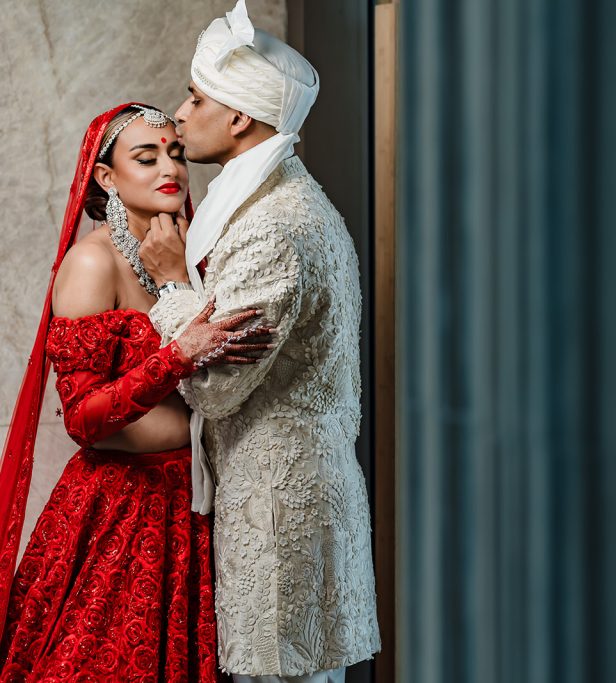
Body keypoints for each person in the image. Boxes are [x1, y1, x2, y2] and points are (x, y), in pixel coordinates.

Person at [138, 2, 380, 681]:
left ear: (239, 116)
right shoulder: (274, 203)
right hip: (278, 504)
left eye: (196, 98)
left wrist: (167, 286)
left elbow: (214, 386)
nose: (180, 116)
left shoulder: (275, 225)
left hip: (279, 518)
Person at [0, 102, 273, 681]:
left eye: (174, 152)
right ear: (105, 177)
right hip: (123, 512)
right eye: (145, 158)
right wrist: (176, 357)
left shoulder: (187, 259)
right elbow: (83, 419)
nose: (168, 167)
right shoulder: (92, 265)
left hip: (193, 505)